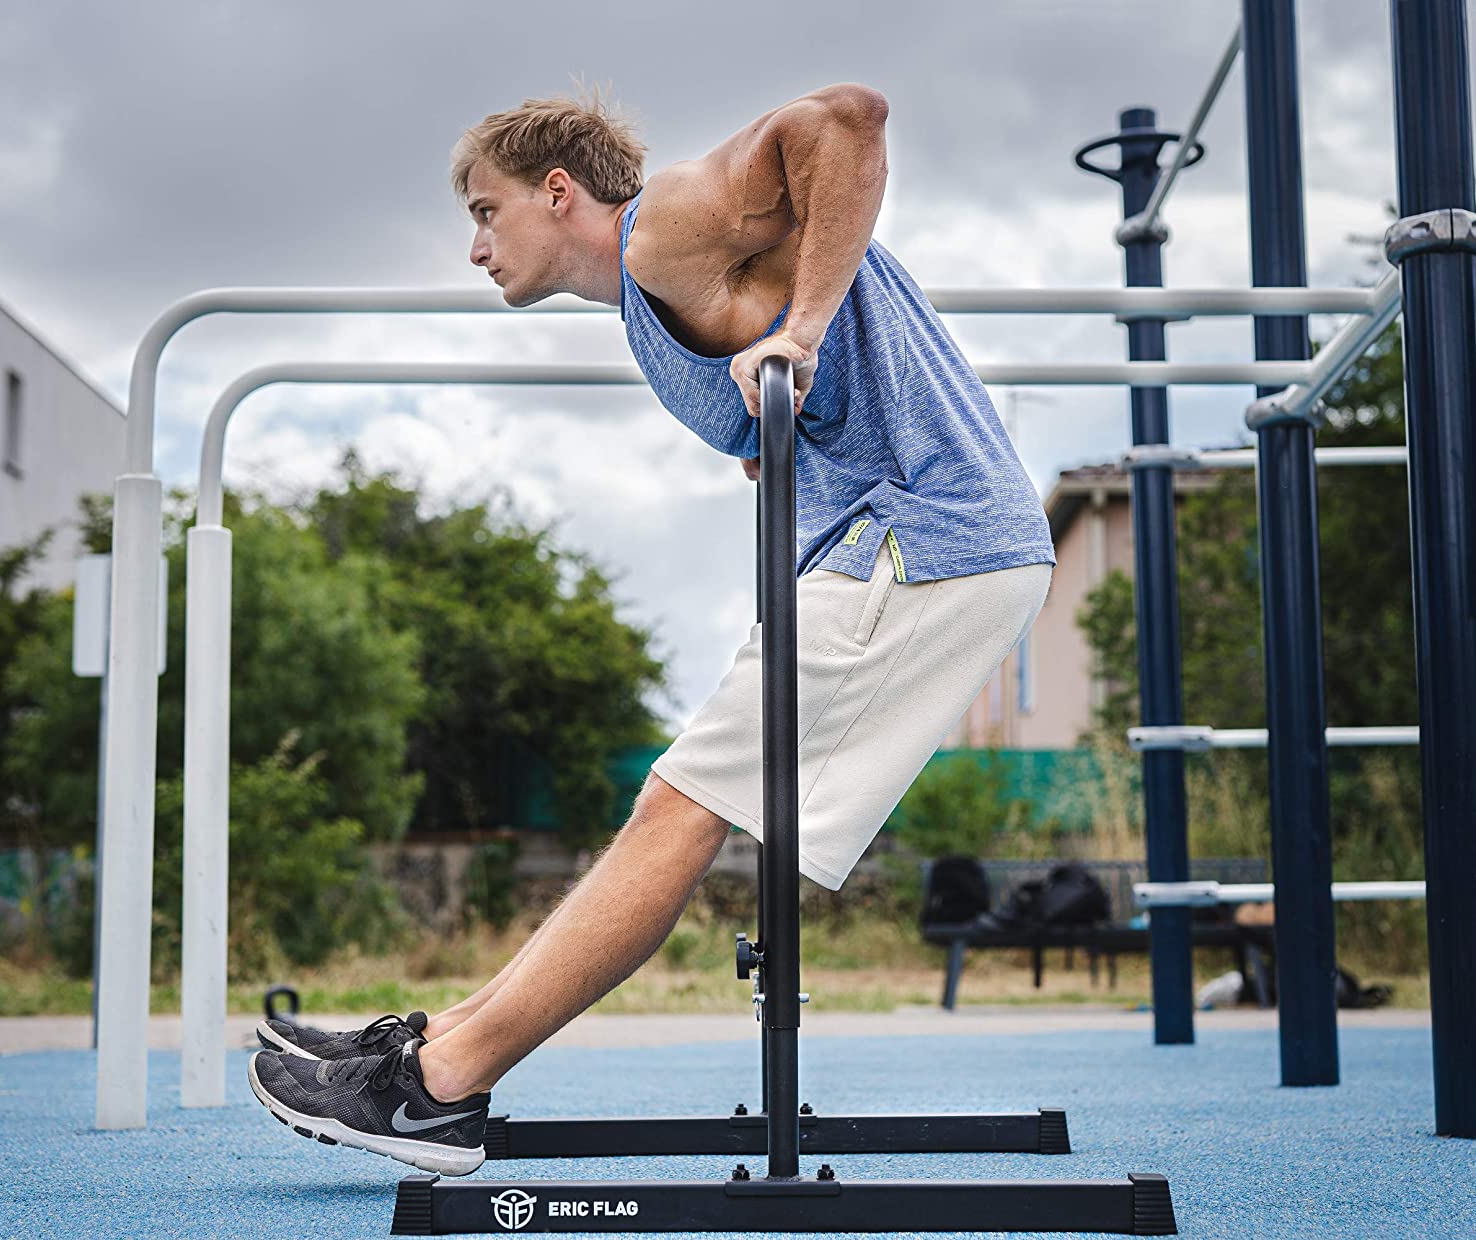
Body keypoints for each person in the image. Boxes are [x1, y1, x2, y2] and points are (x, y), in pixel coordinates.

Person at [247, 81, 1055, 1176]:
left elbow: (849, 118)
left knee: (677, 811)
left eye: (486, 212)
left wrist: (804, 335)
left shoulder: (661, 228)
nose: (477, 247)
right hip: (907, 546)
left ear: (559, 190)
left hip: (924, 545)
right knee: (673, 803)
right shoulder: (656, 289)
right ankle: (436, 1044)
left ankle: (440, 1088)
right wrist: (786, 424)